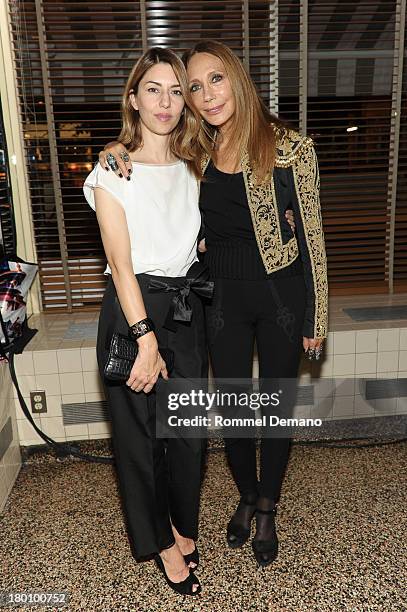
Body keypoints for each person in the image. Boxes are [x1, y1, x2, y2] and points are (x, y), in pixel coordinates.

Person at [98, 40, 328, 568]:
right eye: (194, 88)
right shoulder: (197, 150)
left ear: (238, 80)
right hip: (218, 299)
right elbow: (146, 161)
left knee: (272, 409)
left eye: (213, 80)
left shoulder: (291, 146)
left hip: (282, 297)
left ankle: (267, 505)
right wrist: (114, 146)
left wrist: (317, 317)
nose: (205, 96)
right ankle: (246, 495)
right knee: (231, 408)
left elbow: (313, 237)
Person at [83, 47, 213, 596]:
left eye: (176, 91)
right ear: (133, 99)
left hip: (187, 308)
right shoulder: (113, 172)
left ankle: (182, 521)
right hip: (134, 311)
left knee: (189, 434)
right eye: (153, 89)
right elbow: (119, 265)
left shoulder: (195, 164)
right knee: (141, 441)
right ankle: (161, 541)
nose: (165, 102)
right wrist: (144, 340)